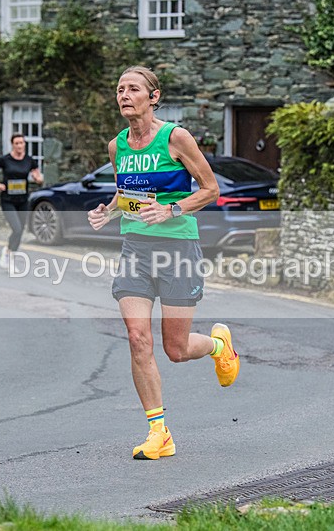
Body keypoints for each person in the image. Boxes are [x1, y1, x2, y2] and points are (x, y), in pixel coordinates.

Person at [88, 66, 240, 460]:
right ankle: (159, 432)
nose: (124, 95)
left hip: (177, 249)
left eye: (133, 88)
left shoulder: (175, 138)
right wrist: (108, 212)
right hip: (136, 250)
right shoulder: (117, 145)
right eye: (119, 88)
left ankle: (218, 345)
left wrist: (172, 209)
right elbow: (127, 196)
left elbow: (210, 189)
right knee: (138, 338)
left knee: (176, 348)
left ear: (153, 97)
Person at [0, 133, 43, 268]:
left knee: (20, 230)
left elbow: (37, 175)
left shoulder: (29, 161)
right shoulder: (5, 160)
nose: (19, 146)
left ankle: (8, 251)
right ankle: (10, 259)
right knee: (16, 229)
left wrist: (38, 179)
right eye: (16, 143)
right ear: (12, 145)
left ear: (24, 144)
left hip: (23, 200)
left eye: (21, 143)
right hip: (8, 200)